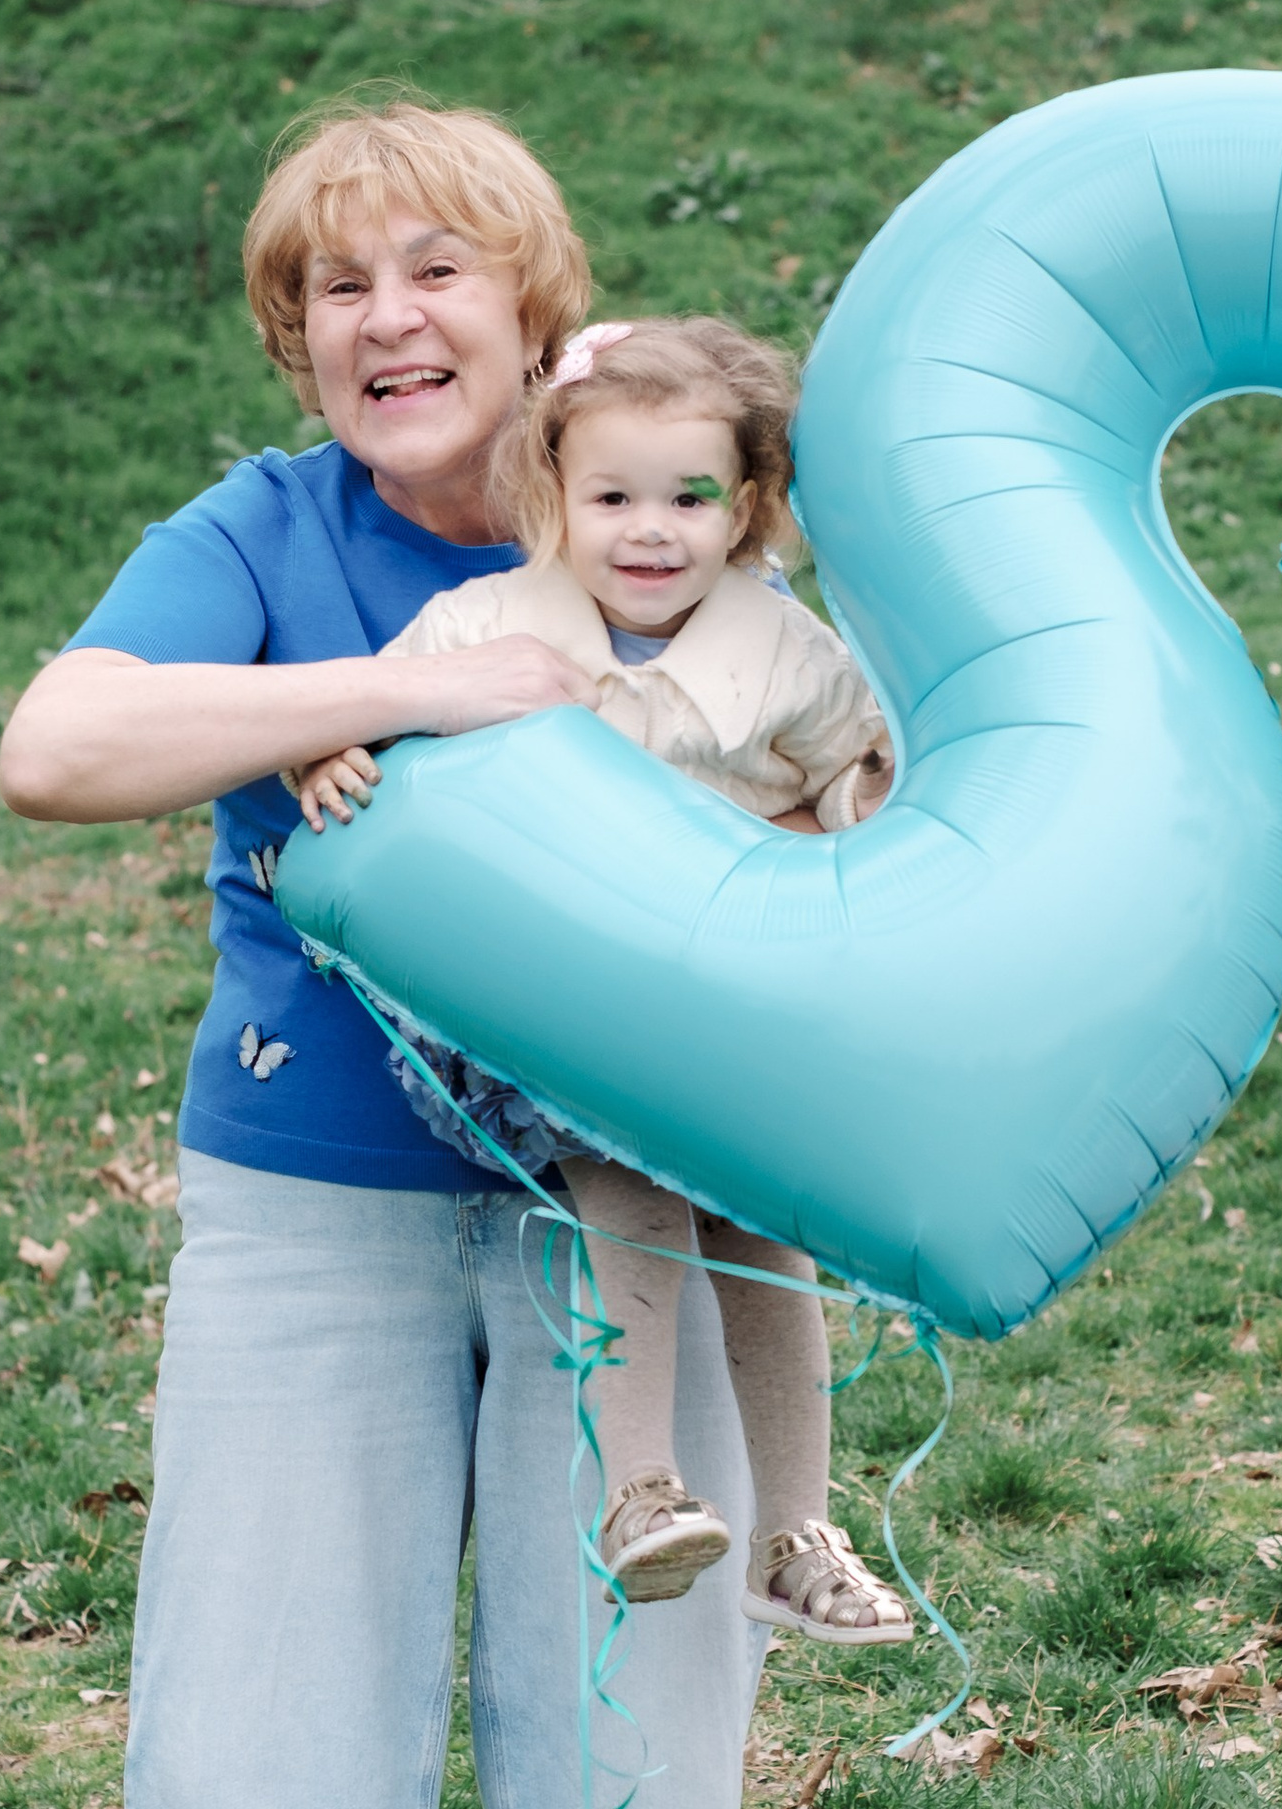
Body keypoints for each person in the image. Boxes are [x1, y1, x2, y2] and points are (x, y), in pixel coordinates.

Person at [0, 102, 772, 1809]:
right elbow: (54, 749)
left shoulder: (657, 498)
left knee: (630, 1738)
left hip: (627, 1224)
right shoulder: (265, 537)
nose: (385, 320)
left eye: (438, 269)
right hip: (309, 1209)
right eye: (336, 286)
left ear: (537, 307)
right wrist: (374, 691)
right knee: (259, 1771)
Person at [295, 314, 911, 1644]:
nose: (650, 531)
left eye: (689, 498)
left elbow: (855, 776)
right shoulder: (486, 626)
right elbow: (370, 714)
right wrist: (324, 750)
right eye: (612, 497)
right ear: (554, 494)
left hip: (730, 1007)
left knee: (767, 1236)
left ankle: (797, 1535)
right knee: (628, 1185)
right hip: (557, 1017)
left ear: (744, 505)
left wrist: (868, 801)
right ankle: (639, 1489)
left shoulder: (787, 653)